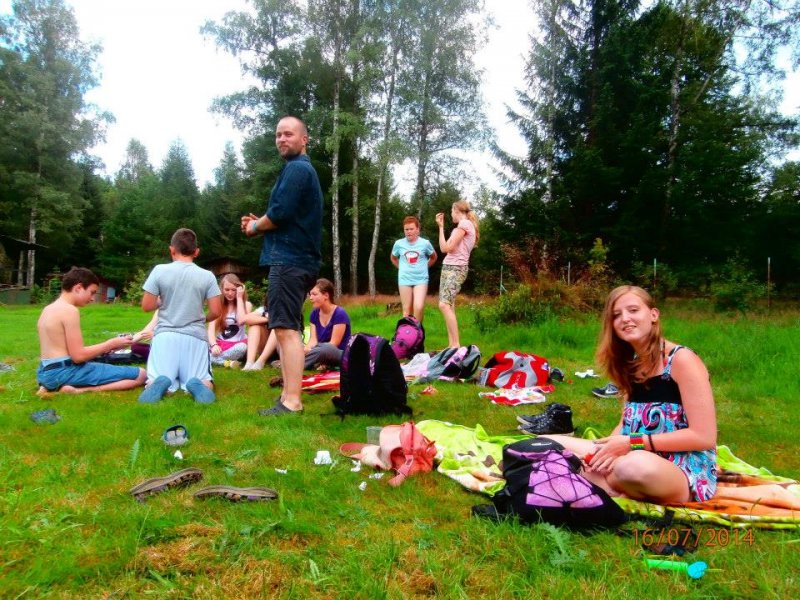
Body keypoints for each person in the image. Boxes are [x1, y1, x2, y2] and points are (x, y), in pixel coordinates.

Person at [542, 285, 718, 504]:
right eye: (616, 315)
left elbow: (704, 436)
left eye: (633, 310)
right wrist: (605, 452)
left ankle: (593, 481)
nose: (625, 318)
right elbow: (624, 424)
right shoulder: (630, 365)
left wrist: (632, 443)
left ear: (653, 315)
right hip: (630, 451)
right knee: (544, 443)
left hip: (679, 468)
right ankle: (600, 480)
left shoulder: (682, 360)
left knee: (633, 466)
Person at [241, 115, 323, 415]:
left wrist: (254, 226)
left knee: (287, 330)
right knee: (285, 327)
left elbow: (279, 213)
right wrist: (262, 222)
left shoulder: (298, 169)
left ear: (304, 139)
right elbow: (284, 214)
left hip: (290, 261)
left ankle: (292, 401)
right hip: (295, 260)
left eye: (288, 134)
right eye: (278, 135)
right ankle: (288, 396)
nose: (281, 139)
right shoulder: (299, 170)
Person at [139, 228, 222, 404]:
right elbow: (216, 311)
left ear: (172, 250)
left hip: (165, 337)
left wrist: (162, 301)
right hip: (195, 338)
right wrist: (202, 319)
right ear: (196, 252)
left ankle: (158, 384)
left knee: (156, 377)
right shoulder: (207, 276)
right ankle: (198, 385)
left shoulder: (159, 270)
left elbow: (146, 306)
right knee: (204, 379)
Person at [36, 267, 146, 395]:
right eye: (92, 292)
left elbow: (66, 352)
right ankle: (77, 390)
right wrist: (110, 344)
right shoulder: (69, 310)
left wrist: (108, 347)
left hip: (44, 373)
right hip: (64, 372)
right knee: (141, 374)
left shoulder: (48, 309)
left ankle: (49, 386)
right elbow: (78, 356)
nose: (92, 298)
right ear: (78, 288)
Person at [435, 200, 479, 348]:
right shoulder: (460, 227)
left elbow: (448, 247)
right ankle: (451, 345)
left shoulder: (465, 224)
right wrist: (441, 227)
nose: (451, 214)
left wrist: (447, 243)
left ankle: (455, 345)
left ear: (457, 210)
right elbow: (443, 248)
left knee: (444, 305)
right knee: (449, 306)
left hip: (456, 268)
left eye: (451, 211)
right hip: (448, 267)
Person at [391, 216, 437, 322]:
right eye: (406, 229)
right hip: (404, 279)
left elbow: (434, 257)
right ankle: (408, 332)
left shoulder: (425, 243)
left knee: (419, 307)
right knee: (406, 311)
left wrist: (424, 267)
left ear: (417, 230)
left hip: (421, 279)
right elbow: (393, 258)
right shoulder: (398, 244)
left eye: (411, 229)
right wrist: (401, 268)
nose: (408, 232)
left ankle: (417, 330)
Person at [207, 273, 252, 369]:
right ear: (222, 290)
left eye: (233, 290)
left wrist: (239, 298)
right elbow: (210, 330)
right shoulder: (217, 306)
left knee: (242, 347)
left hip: (237, 345)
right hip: (219, 344)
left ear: (239, 289)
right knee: (200, 342)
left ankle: (209, 359)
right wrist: (214, 345)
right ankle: (226, 362)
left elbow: (241, 321)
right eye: (227, 290)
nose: (230, 293)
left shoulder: (246, 305)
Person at [304, 278, 351, 370]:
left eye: (314, 294)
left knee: (325, 348)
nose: (310, 298)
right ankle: (309, 361)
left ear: (326, 295)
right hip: (320, 351)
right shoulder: (314, 314)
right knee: (299, 346)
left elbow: (333, 344)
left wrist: (313, 350)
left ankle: (297, 364)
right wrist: (306, 348)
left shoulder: (340, 313)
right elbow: (313, 340)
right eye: (310, 294)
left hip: (338, 353)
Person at [240, 306, 280, 371]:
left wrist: (274, 320)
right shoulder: (265, 309)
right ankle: (249, 362)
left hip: (282, 348)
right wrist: (268, 319)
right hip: (267, 348)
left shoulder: (288, 308)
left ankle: (260, 362)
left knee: (278, 327)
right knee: (254, 326)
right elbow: (246, 319)